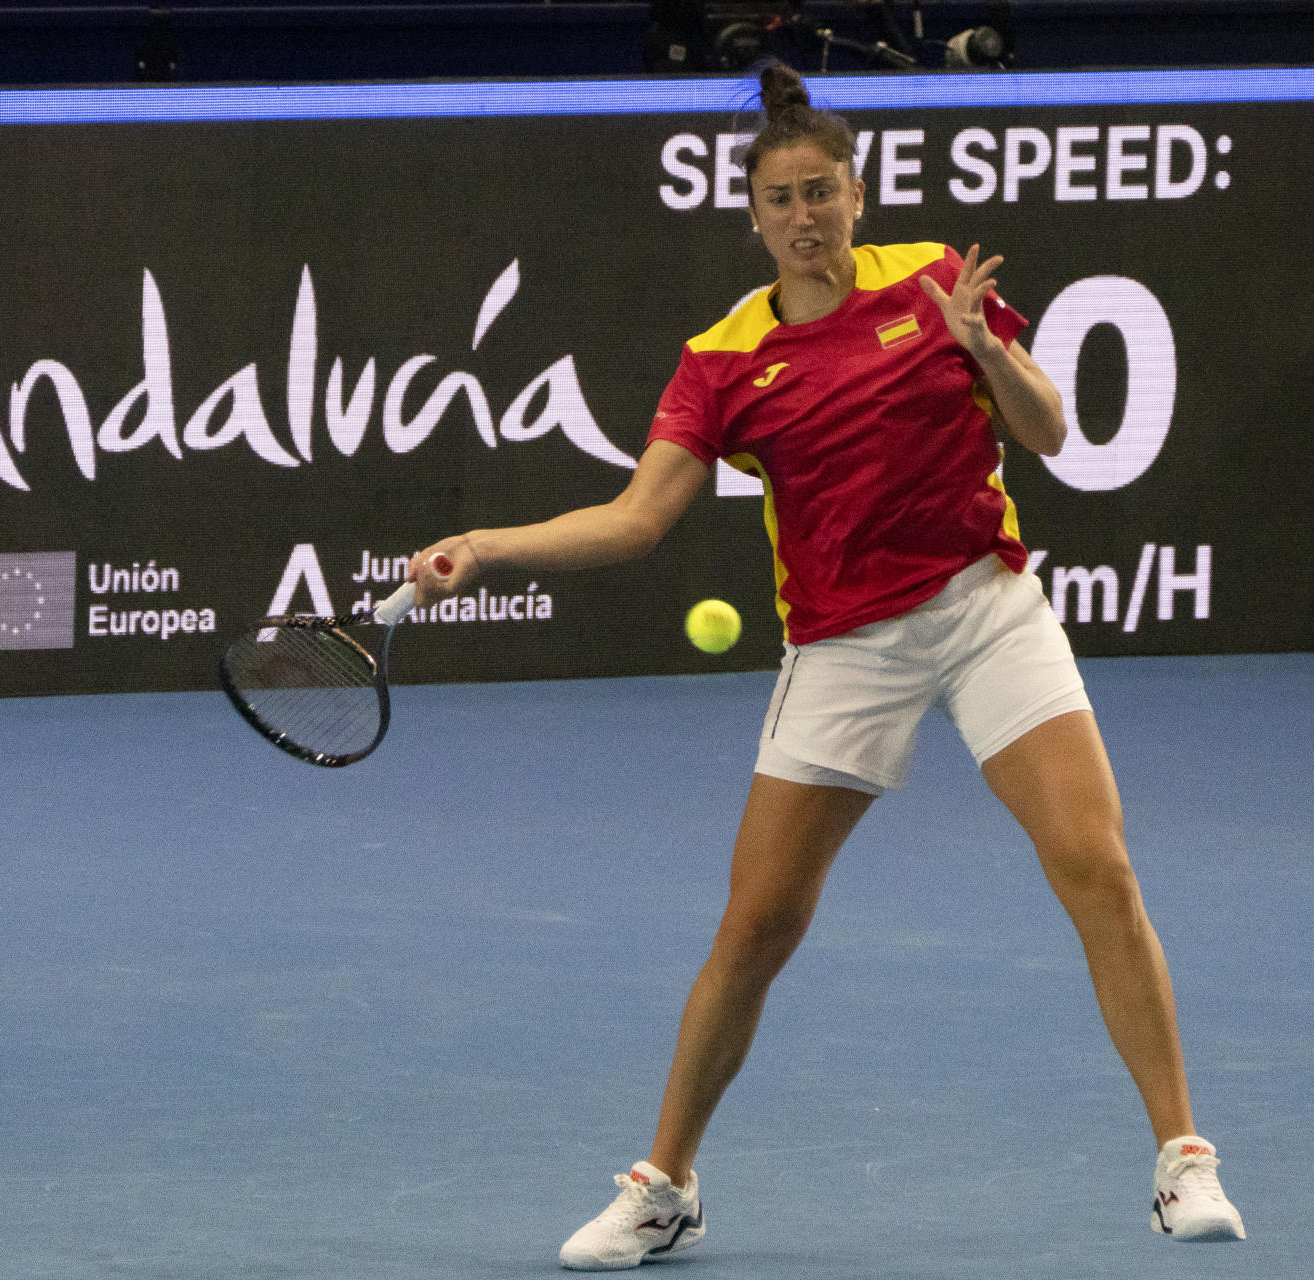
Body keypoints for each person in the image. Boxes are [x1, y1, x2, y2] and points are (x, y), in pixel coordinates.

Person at [409, 62, 1246, 1271]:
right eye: (781, 198)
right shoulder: (725, 357)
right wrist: (485, 546)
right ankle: (668, 1184)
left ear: (858, 194)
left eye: (822, 190)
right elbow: (640, 517)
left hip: (985, 605)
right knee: (755, 925)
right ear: (752, 217)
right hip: (845, 646)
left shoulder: (938, 283)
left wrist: (987, 352)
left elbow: (1051, 432)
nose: (804, 213)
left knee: (1096, 863)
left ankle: (1183, 1156)